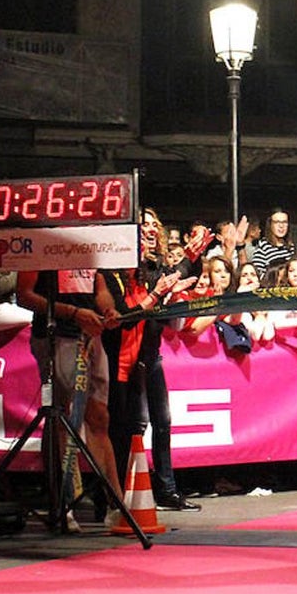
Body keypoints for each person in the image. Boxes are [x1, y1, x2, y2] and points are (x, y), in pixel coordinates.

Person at [99, 208, 199, 513]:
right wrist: (158, 294)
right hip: (122, 357)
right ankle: (119, 495)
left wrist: (192, 258)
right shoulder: (109, 274)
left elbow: (172, 282)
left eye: (155, 225)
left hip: (150, 354)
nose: (149, 232)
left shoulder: (151, 268)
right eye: (143, 227)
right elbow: (123, 317)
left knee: (163, 422)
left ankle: (166, 490)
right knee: (128, 426)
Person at [17, 265, 124, 528]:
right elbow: (25, 295)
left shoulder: (89, 243)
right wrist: (73, 313)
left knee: (99, 417)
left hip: (90, 335)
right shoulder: (43, 243)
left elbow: (98, 288)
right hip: (57, 335)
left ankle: (117, 504)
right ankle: (65, 502)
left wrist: (107, 310)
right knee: (62, 419)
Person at [251, 207, 295, 274]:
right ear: (270, 225)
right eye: (277, 222)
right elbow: (257, 273)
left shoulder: (290, 246)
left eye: (284, 222)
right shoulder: (263, 246)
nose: (281, 226)